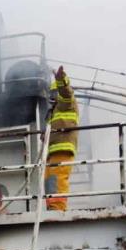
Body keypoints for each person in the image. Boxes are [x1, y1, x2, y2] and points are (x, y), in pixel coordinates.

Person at [45, 66, 79, 211]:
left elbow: (66, 93)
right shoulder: (53, 111)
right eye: (50, 93)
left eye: (54, 92)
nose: (52, 96)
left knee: (58, 179)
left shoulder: (66, 103)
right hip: (52, 151)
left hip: (62, 148)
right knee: (49, 181)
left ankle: (58, 208)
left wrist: (60, 79)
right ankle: (52, 206)